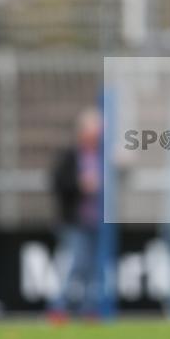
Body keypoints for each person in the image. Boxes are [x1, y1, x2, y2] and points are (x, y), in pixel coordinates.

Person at [47, 107, 104, 322]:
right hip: (75, 221)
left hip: (97, 221)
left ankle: (89, 309)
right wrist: (80, 185)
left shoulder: (103, 156)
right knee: (75, 264)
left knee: (93, 267)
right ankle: (59, 307)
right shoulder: (71, 156)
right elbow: (57, 183)